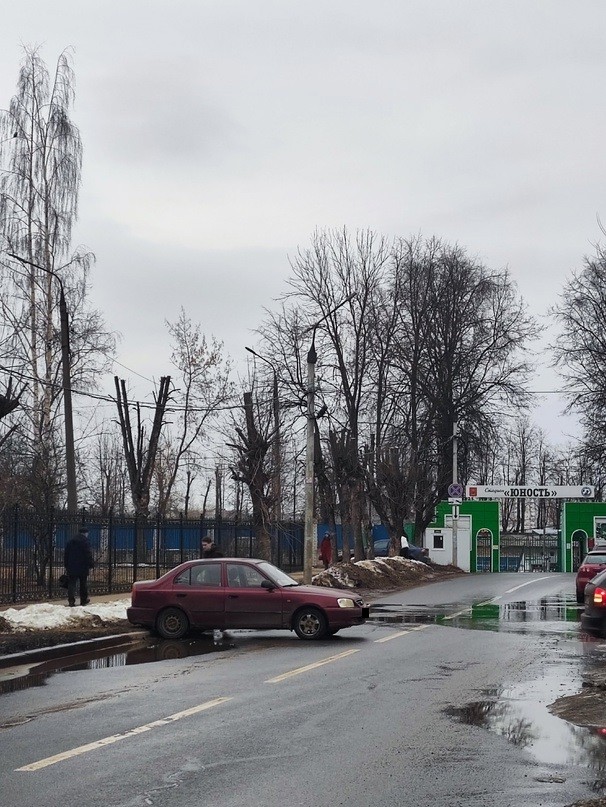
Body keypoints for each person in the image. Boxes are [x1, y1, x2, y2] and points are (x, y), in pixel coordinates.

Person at [64, 527, 95, 607]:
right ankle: (83, 600)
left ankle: (71, 600)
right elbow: (88, 554)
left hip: (71, 566)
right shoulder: (85, 542)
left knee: (72, 584)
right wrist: (91, 564)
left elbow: (66, 554)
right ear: (86, 533)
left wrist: (66, 564)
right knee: (83, 584)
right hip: (83, 566)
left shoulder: (71, 541)